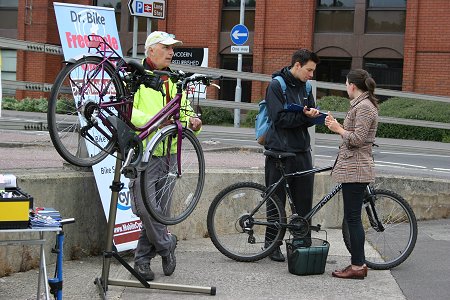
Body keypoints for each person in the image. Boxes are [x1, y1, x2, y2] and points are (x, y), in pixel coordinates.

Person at [129, 31, 202, 281]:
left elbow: (181, 108)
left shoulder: (170, 79)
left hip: (170, 154)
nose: (172, 52)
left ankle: (142, 261)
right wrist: (154, 123)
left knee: (160, 213)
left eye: (173, 49)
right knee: (147, 211)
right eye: (166, 48)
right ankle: (166, 245)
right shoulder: (136, 78)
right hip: (143, 154)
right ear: (151, 51)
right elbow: (128, 113)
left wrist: (191, 119)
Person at [264, 49, 321, 262]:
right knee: (275, 202)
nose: (311, 75)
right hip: (279, 152)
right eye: (309, 70)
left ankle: (301, 246)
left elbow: (310, 113)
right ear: (297, 65)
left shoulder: (306, 87)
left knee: (304, 202)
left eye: (313, 71)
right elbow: (279, 119)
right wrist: (305, 117)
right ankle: (272, 246)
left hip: (302, 151)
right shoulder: (276, 85)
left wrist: (312, 116)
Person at [325, 69, 379, 279]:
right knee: (352, 218)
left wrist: (338, 129)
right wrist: (335, 125)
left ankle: (357, 265)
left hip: (356, 168)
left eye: (346, 84)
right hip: (353, 167)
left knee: (353, 219)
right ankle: (357, 264)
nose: (346, 87)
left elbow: (357, 139)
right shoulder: (362, 105)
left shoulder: (364, 107)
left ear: (353, 86)